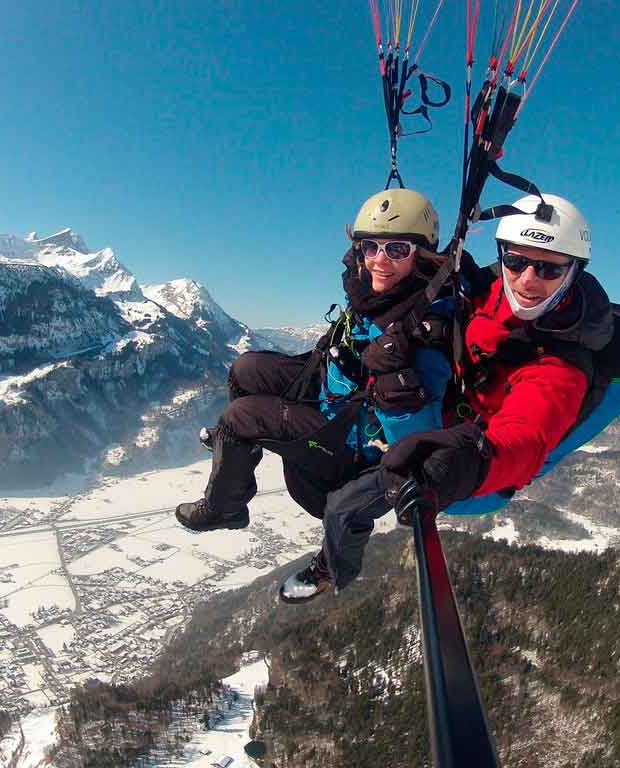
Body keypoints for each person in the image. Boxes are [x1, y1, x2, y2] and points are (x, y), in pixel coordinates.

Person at [282, 193, 619, 599]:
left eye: (547, 268)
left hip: (470, 465)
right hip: (443, 410)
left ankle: (332, 572)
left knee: (344, 505)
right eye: (515, 261)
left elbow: (527, 436)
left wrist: (469, 461)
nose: (527, 279)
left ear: (573, 272)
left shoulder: (562, 364)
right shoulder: (487, 291)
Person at [174, 189, 455, 591]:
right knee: (245, 368)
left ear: (424, 256)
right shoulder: (380, 294)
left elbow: (418, 445)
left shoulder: (425, 331)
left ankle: (225, 508)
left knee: (239, 417)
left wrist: (397, 385)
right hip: (333, 394)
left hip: (354, 443)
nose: (380, 259)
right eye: (370, 246)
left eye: (397, 248)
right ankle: (238, 452)